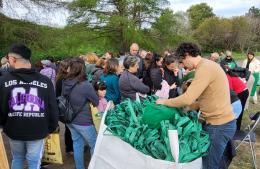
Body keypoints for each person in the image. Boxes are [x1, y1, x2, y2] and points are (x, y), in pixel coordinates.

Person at [156, 42, 236, 169]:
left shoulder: (205, 68)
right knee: (214, 162)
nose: (183, 65)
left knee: (209, 165)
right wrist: (191, 107)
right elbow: (210, 97)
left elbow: (187, 98)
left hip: (219, 126)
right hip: (221, 123)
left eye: (182, 61)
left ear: (187, 55)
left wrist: (164, 101)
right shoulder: (207, 65)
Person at [0, 43, 58, 169]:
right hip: (37, 130)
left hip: (13, 129)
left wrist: (3, 125)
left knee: (18, 158)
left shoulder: (3, 81)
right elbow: (53, 108)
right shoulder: (45, 81)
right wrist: (51, 127)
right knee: (34, 162)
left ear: (13, 59)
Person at [62, 58, 98, 169]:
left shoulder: (65, 82)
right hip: (84, 122)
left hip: (70, 120)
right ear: (82, 69)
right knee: (94, 146)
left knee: (77, 145)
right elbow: (95, 101)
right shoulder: (85, 85)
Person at [55, 59, 73, 154]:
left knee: (68, 127)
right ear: (66, 68)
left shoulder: (59, 77)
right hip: (66, 105)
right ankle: (70, 147)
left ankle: (68, 147)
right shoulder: (65, 79)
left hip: (61, 105)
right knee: (69, 128)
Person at [223, 66, 249, 130]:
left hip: (242, 93)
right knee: (239, 110)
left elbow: (230, 90)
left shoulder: (227, 76)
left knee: (238, 110)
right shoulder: (230, 74)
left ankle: (236, 129)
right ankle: (237, 128)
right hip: (244, 91)